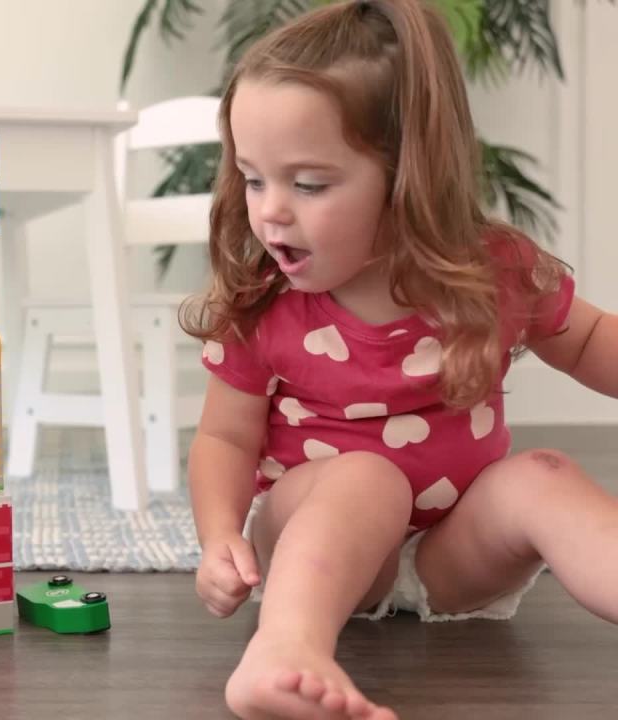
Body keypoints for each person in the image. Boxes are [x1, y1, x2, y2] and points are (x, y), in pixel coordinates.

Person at [183, 1, 618, 718]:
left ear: (407, 173)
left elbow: (590, 341)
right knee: (367, 478)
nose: (270, 212)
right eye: (254, 178)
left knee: (547, 475)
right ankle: (284, 648)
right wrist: (221, 535)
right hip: (317, 547)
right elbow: (225, 437)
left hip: (452, 554)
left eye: (309, 184)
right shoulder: (266, 303)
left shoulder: (492, 271)